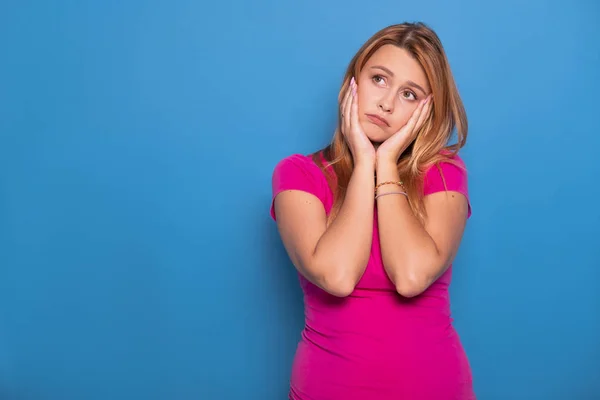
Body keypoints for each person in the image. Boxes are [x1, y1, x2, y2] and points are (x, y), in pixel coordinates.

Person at [269, 22, 475, 400]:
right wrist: (365, 161)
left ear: (426, 111)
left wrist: (387, 163)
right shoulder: (299, 175)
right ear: (353, 81)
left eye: (409, 94)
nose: (387, 103)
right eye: (379, 79)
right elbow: (337, 276)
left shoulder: (444, 173)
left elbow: (411, 277)